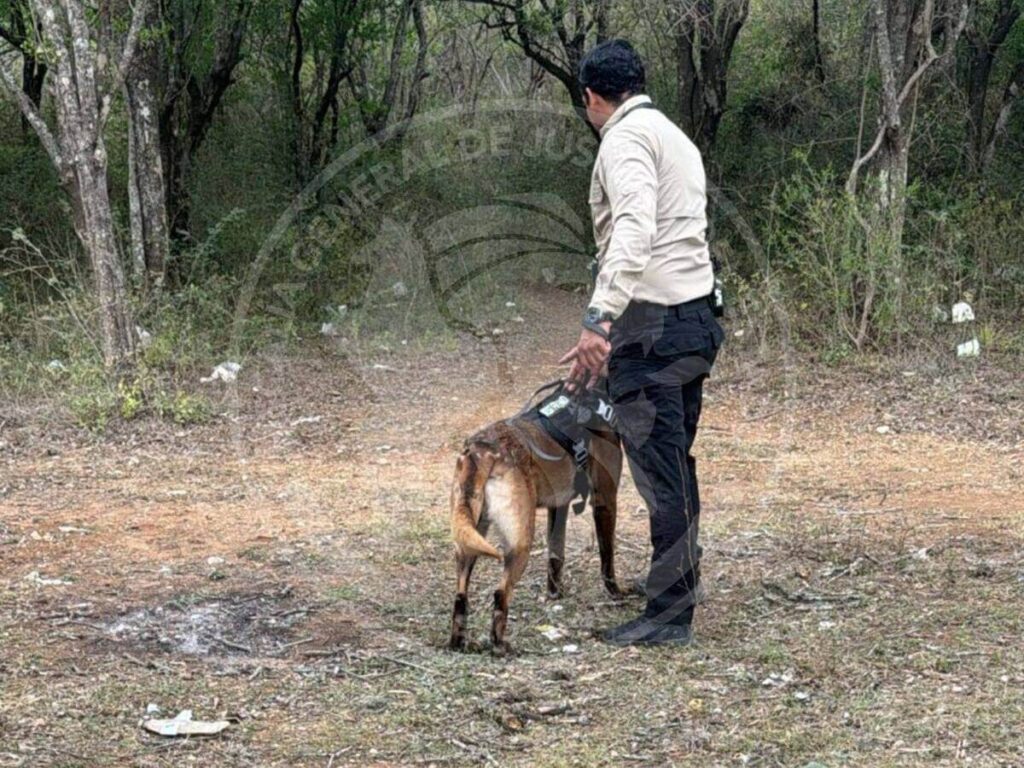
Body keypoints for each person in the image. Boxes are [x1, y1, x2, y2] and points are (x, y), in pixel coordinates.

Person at [559, 39, 724, 647]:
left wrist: (599, 319)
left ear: (593, 97)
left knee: (659, 470)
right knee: (673, 463)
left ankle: (667, 616)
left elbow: (634, 227)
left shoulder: (624, 139)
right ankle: (680, 585)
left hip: (650, 329)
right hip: (694, 319)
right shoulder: (674, 135)